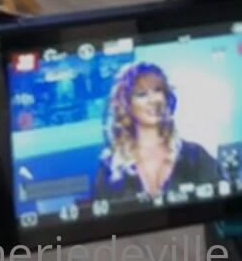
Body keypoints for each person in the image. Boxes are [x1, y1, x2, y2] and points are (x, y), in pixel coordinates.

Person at [93, 63, 222, 201]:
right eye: (142, 94)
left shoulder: (195, 155)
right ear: (127, 105)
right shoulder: (110, 168)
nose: (153, 100)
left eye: (158, 90)